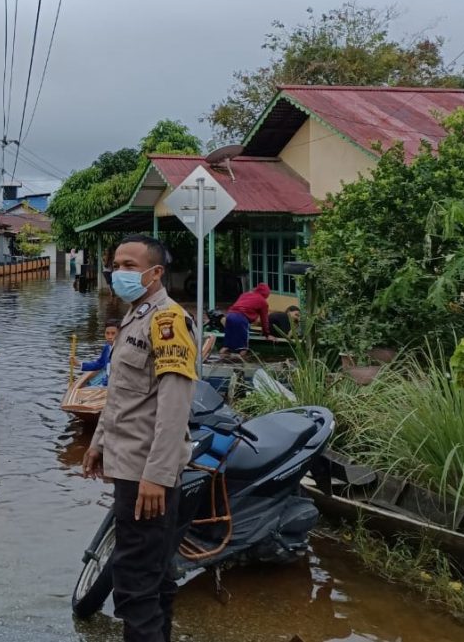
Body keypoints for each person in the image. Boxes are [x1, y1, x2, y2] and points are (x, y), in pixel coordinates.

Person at [82, 234, 197, 642]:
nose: (119, 272)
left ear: (155, 273)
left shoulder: (167, 322)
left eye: (130, 265)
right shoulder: (134, 316)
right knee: (155, 575)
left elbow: (174, 405)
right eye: (116, 264)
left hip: (146, 475)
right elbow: (122, 396)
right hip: (129, 465)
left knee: (134, 585)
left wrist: (157, 476)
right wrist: (98, 442)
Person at [220, 282, 276, 358]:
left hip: (229, 316)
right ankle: (242, 365)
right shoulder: (263, 302)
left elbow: (239, 306)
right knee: (243, 348)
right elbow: (264, 319)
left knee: (227, 346)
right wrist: (267, 334)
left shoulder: (245, 294)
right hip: (241, 319)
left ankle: (222, 359)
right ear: (266, 294)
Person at [70, 319, 119, 386]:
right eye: (107, 333)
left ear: (119, 334)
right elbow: (100, 363)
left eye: (113, 333)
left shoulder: (123, 350)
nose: (109, 337)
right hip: (106, 382)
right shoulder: (107, 347)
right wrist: (79, 364)